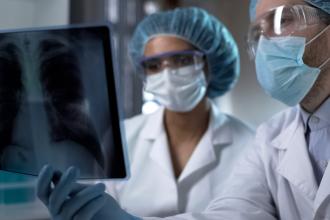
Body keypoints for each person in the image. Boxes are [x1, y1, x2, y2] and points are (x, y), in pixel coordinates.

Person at [35, 7, 255, 220]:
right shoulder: (123, 137)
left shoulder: (250, 145)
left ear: (212, 63)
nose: (167, 73)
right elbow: (100, 208)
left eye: (183, 60)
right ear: (143, 73)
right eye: (154, 65)